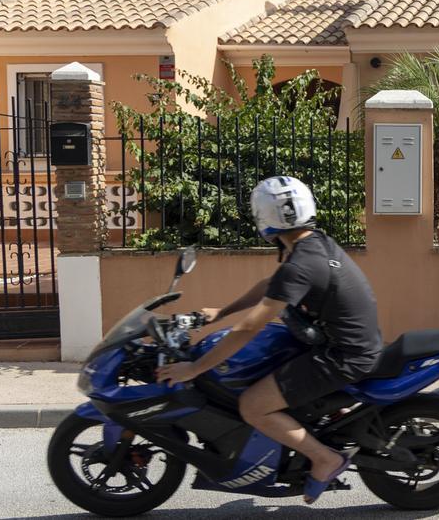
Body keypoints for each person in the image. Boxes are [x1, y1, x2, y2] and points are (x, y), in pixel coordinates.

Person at [157, 176, 383, 504]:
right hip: (341, 342)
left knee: (253, 405)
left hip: (343, 355)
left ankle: (325, 458)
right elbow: (271, 285)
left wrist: (195, 368)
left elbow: (249, 327)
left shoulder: (301, 263)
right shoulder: (312, 243)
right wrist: (221, 312)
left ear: (263, 218)